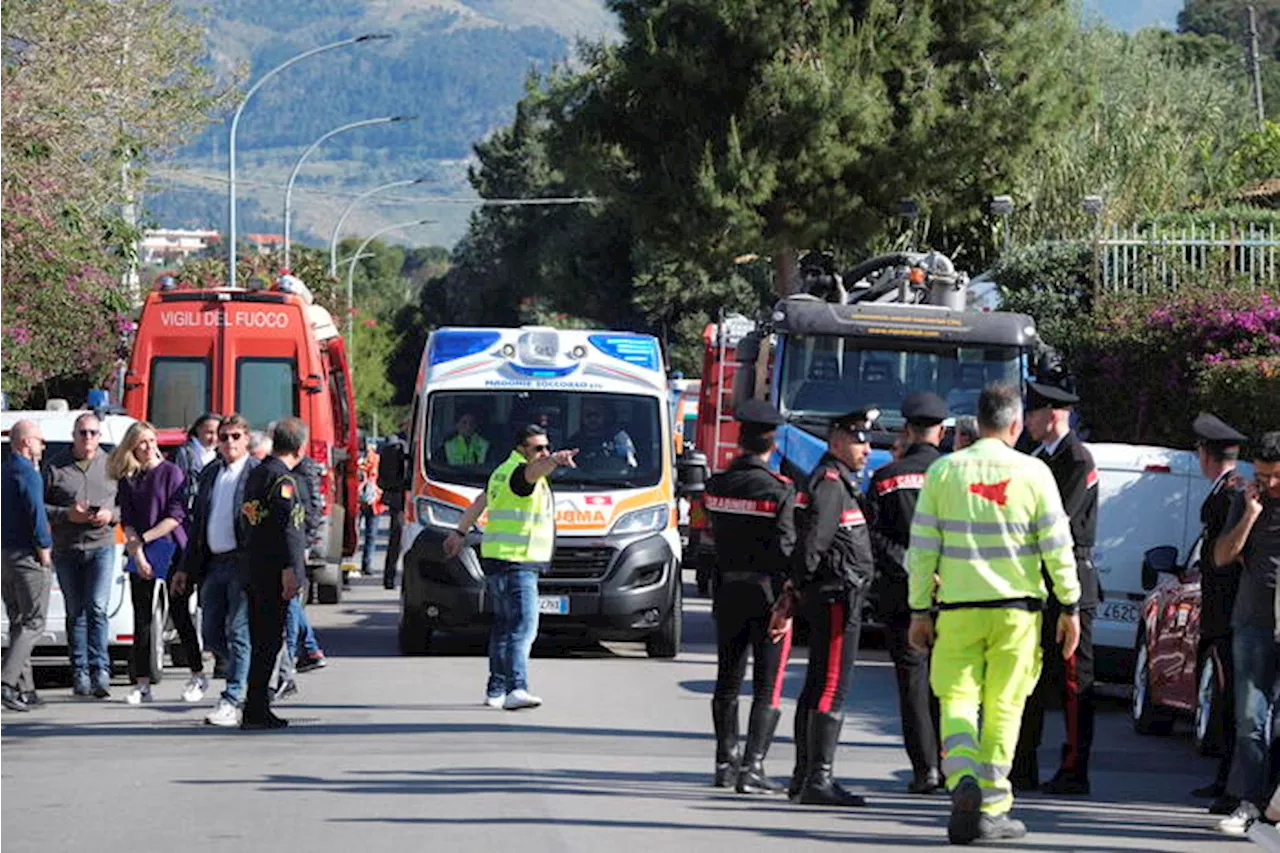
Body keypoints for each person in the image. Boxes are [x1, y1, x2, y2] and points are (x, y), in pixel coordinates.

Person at [907, 382, 1081, 845]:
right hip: (1017, 615)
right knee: (1006, 705)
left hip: (958, 611)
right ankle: (993, 806)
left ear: (977, 422)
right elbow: (1057, 547)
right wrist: (1070, 605)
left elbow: (922, 551)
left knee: (958, 700)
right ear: (1015, 424)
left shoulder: (944, 473)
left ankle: (961, 778)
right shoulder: (1035, 473)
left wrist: (919, 611)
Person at [443, 425, 578, 711]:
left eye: (547, 447)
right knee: (524, 626)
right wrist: (555, 460)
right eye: (537, 448)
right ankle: (517, 687)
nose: (544, 452)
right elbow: (533, 473)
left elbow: (481, 501)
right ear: (522, 449)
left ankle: (496, 689)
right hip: (518, 561)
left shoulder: (501, 472)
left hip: (499, 559)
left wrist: (459, 532)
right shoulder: (521, 473)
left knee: (504, 628)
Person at [1011, 377, 1100, 796]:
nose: (1025, 421)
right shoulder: (1031, 455)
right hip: (1035, 579)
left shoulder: (1077, 460)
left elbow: (1057, 521)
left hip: (1070, 582)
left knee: (1071, 681)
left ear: (1052, 415)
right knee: (1029, 675)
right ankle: (1022, 763)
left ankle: (1073, 767)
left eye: (1031, 413)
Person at [703, 400, 797, 793]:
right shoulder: (780, 490)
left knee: (727, 679)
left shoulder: (716, 486)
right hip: (768, 595)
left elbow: (708, 542)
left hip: (727, 591)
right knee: (767, 682)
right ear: (771, 444)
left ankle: (725, 763)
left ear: (739, 441)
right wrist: (789, 599)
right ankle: (753, 767)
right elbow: (788, 548)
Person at [786, 408, 877, 807]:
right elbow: (814, 543)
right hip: (837, 595)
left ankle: (805, 774)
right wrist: (797, 587)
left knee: (819, 683)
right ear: (837, 440)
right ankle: (817, 779)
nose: (867, 449)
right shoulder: (829, 483)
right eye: (859, 441)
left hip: (838, 593)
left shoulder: (837, 481)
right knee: (831, 685)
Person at [868, 392, 947, 795]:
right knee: (950, 682)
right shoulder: (955, 475)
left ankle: (925, 769)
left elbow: (874, 538)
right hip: (952, 595)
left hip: (901, 594)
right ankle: (953, 765)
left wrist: (912, 567)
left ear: (907, 430)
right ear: (942, 430)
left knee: (912, 681)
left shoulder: (885, 479)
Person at [170, 414, 258, 726]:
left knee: (238, 631)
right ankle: (257, 669)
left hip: (243, 564)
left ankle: (233, 698)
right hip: (213, 563)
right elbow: (196, 525)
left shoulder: (256, 474)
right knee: (211, 635)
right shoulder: (210, 474)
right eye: (224, 437)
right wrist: (185, 568)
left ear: (247, 439)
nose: (229, 443)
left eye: (236, 436)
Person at [1215, 432, 1280, 836]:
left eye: (1276, 476)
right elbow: (1222, 556)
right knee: (1250, 719)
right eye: (1263, 475)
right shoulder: (1246, 500)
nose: (1270, 484)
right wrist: (1251, 514)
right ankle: (1250, 802)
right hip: (1253, 621)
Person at [1188, 413, 1248, 815]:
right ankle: (1224, 778)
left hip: (1227, 615)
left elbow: (1228, 555)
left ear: (1203, 453)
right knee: (1226, 700)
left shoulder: (1229, 493)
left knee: (1230, 702)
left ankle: (1231, 783)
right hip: (1221, 614)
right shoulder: (1225, 489)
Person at [109, 421, 189, 706]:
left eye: (151, 440)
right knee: (141, 618)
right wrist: (137, 553)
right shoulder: (130, 478)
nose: (148, 446)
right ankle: (141, 682)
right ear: (133, 446)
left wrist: (143, 539)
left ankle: (196, 673)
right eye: (142, 442)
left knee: (180, 613)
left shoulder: (172, 472)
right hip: (141, 549)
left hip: (170, 545)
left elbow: (175, 515)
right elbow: (127, 519)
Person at [239, 417, 310, 730]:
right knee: (268, 642)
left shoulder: (257, 473)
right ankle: (256, 708)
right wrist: (291, 571)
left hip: (253, 565)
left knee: (260, 640)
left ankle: (255, 705)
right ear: (300, 447)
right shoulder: (283, 480)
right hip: (271, 570)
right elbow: (288, 529)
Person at [43, 412, 119, 699]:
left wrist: (112, 515)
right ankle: (80, 672)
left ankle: (101, 670)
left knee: (97, 608)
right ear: (73, 435)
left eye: (93, 433)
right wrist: (68, 515)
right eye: (82, 432)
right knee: (75, 611)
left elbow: (127, 504)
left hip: (102, 545)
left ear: (100, 436)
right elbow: (40, 507)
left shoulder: (112, 465)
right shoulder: (55, 467)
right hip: (67, 548)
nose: (88, 438)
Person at [0, 420, 52, 713]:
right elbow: (36, 514)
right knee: (34, 622)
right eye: (39, 440)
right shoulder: (28, 473)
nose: (42, 446)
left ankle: (26, 688)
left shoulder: (3, 471)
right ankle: (6, 682)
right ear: (24, 442)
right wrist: (44, 549)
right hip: (26, 558)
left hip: (4, 556)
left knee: (18, 621)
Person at [379, 420, 410, 590]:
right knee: (397, 539)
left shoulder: (408, 442)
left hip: (402, 497)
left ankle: (391, 577)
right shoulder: (397, 444)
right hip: (400, 498)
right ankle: (390, 577)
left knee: (397, 539)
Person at [568, 399, 637, 472]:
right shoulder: (574, 441)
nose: (592, 418)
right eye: (588, 414)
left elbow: (630, 464)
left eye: (597, 414)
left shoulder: (619, 438)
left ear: (605, 414)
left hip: (614, 480)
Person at [173, 412, 221, 508]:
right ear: (198, 429)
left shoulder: (220, 455)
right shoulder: (184, 454)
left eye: (217, 433)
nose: (214, 438)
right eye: (209, 432)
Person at [357, 439, 383, 576]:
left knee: (366, 535)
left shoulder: (370, 461)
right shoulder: (375, 460)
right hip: (370, 501)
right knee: (370, 535)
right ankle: (366, 564)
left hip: (370, 501)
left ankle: (365, 564)